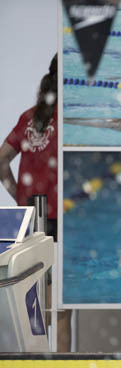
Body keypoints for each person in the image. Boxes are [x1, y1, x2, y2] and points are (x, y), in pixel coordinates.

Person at [0, 54, 72, 352]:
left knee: (33, 297)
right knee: (61, 304)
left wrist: (18, 195)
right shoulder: (68, 117)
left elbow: (1, 161)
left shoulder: (29, 117)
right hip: (60, 217)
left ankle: (34, 363)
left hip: (30, 218)